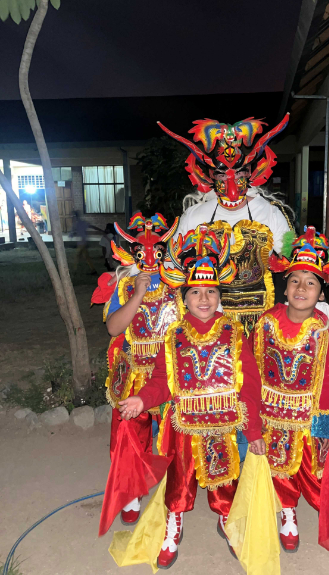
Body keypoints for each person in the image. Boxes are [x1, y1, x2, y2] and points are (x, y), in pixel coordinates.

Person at [114, 225, 265, 570]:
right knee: (179, 479)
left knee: (223, 477)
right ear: (184, 298)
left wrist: (253, 431)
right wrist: (142, 400)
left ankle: (227, 518)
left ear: (220, 296)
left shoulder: (233, 332)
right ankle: (174, 522)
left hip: (222, 423)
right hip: (182, 423)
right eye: (195, 291)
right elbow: (162, 380)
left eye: (211, 291)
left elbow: (250, 385)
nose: (204, 299)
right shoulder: (174, 335)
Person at [251, 226, 329, 565]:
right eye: (295, 281)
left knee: (318, 470)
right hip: (273, 416)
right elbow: (253, 372)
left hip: (310, 415)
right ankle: (288, 514)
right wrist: (254, 419)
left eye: (311, 283)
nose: (301, 288)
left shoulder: (323, 330)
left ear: (321, 292)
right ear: (284, 286)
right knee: (280, 469)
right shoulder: (265, 323)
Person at [158, 115, 294, 337]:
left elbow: (293, 260)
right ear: (210, 176)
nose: (231, 183)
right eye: (222, 174)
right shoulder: (195, 216)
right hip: (206, 316)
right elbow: (171, 262)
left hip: (258, 314)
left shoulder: (269, 213)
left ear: (251, 172)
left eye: (239, 173)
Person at [92, 211, 183, 528]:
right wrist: (139, 292)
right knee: (130, 434)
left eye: (156, 249)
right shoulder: (125, 284)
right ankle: (131, 491)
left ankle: (176, 493)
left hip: (172, 370)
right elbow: (113, 328)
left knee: (176, 434)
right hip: (136, 370)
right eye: (142, 250)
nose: (149, 256)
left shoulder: (179, 282)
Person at [70, 210, 102, 274]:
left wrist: (72, 235)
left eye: (72, 216)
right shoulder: (83, 222)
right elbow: (92, 226)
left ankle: (74, 270)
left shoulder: (76, 224)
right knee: (85, 257)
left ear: (74, 216)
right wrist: (101, 230)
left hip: (81, 243)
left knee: (77, 256)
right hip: (84, 241)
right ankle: (93, 269)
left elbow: (72, 233)